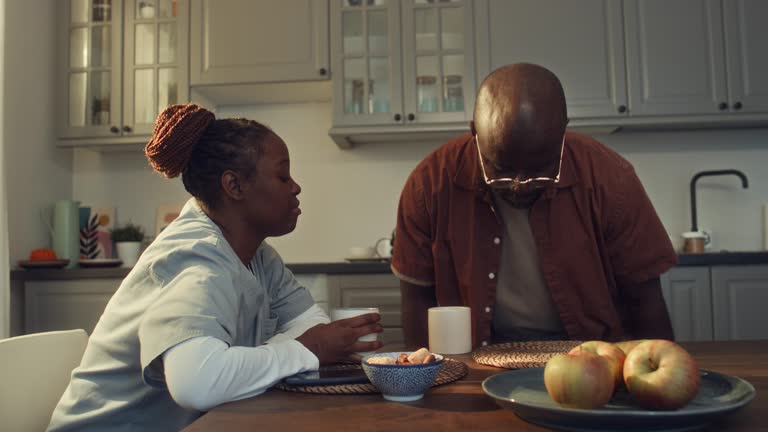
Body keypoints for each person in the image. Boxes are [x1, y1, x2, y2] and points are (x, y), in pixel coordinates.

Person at [48, 104, 383, 431]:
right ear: (234, 186)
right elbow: (195, 383)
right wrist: (309, 349)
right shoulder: (196, 259)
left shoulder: (257, 256)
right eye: (283, 176)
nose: (295, 187)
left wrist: (317, 344)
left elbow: (309, 324)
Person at [392, 63, 676, 349]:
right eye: (502, 169)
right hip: (478, 350)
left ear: (562, 135)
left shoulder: (610, 178)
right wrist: (424, 378)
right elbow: (417, 298)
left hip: (590, 351)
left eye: (540, 169)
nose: (520, 184)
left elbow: (645, 297)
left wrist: (656, 374)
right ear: (474, 133)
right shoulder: (429, 185)